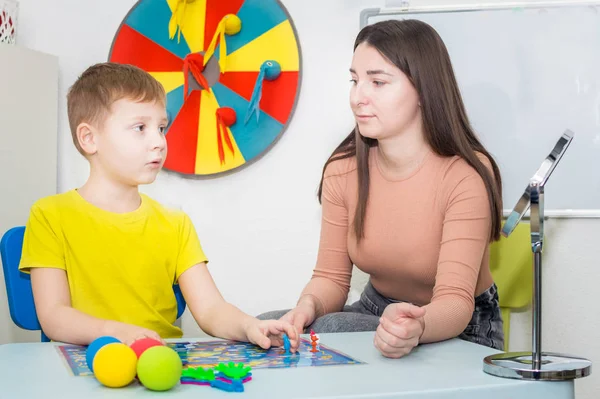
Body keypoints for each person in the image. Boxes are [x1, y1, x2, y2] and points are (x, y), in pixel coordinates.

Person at [258, 19, 504, 358]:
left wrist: (415, 326)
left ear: (423, 90)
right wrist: (308, 306)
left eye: (377, 82)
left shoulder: (466, 174)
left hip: (460, 325)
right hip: (376, 310)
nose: (358, 97)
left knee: (328, 334)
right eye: (355, 80)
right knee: (264, 327)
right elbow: (330, 279)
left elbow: (454, 302)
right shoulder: (342, 170)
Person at [19, 62, 299, 352]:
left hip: (161, 363)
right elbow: (54, 316)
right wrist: (116, 332)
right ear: (89, 138)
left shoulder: (175, 224)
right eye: (140, 127)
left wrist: (249, 325)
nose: (159, 142)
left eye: (161, 127)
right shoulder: (49, 215)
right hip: (87, 362)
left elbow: (211, 309)